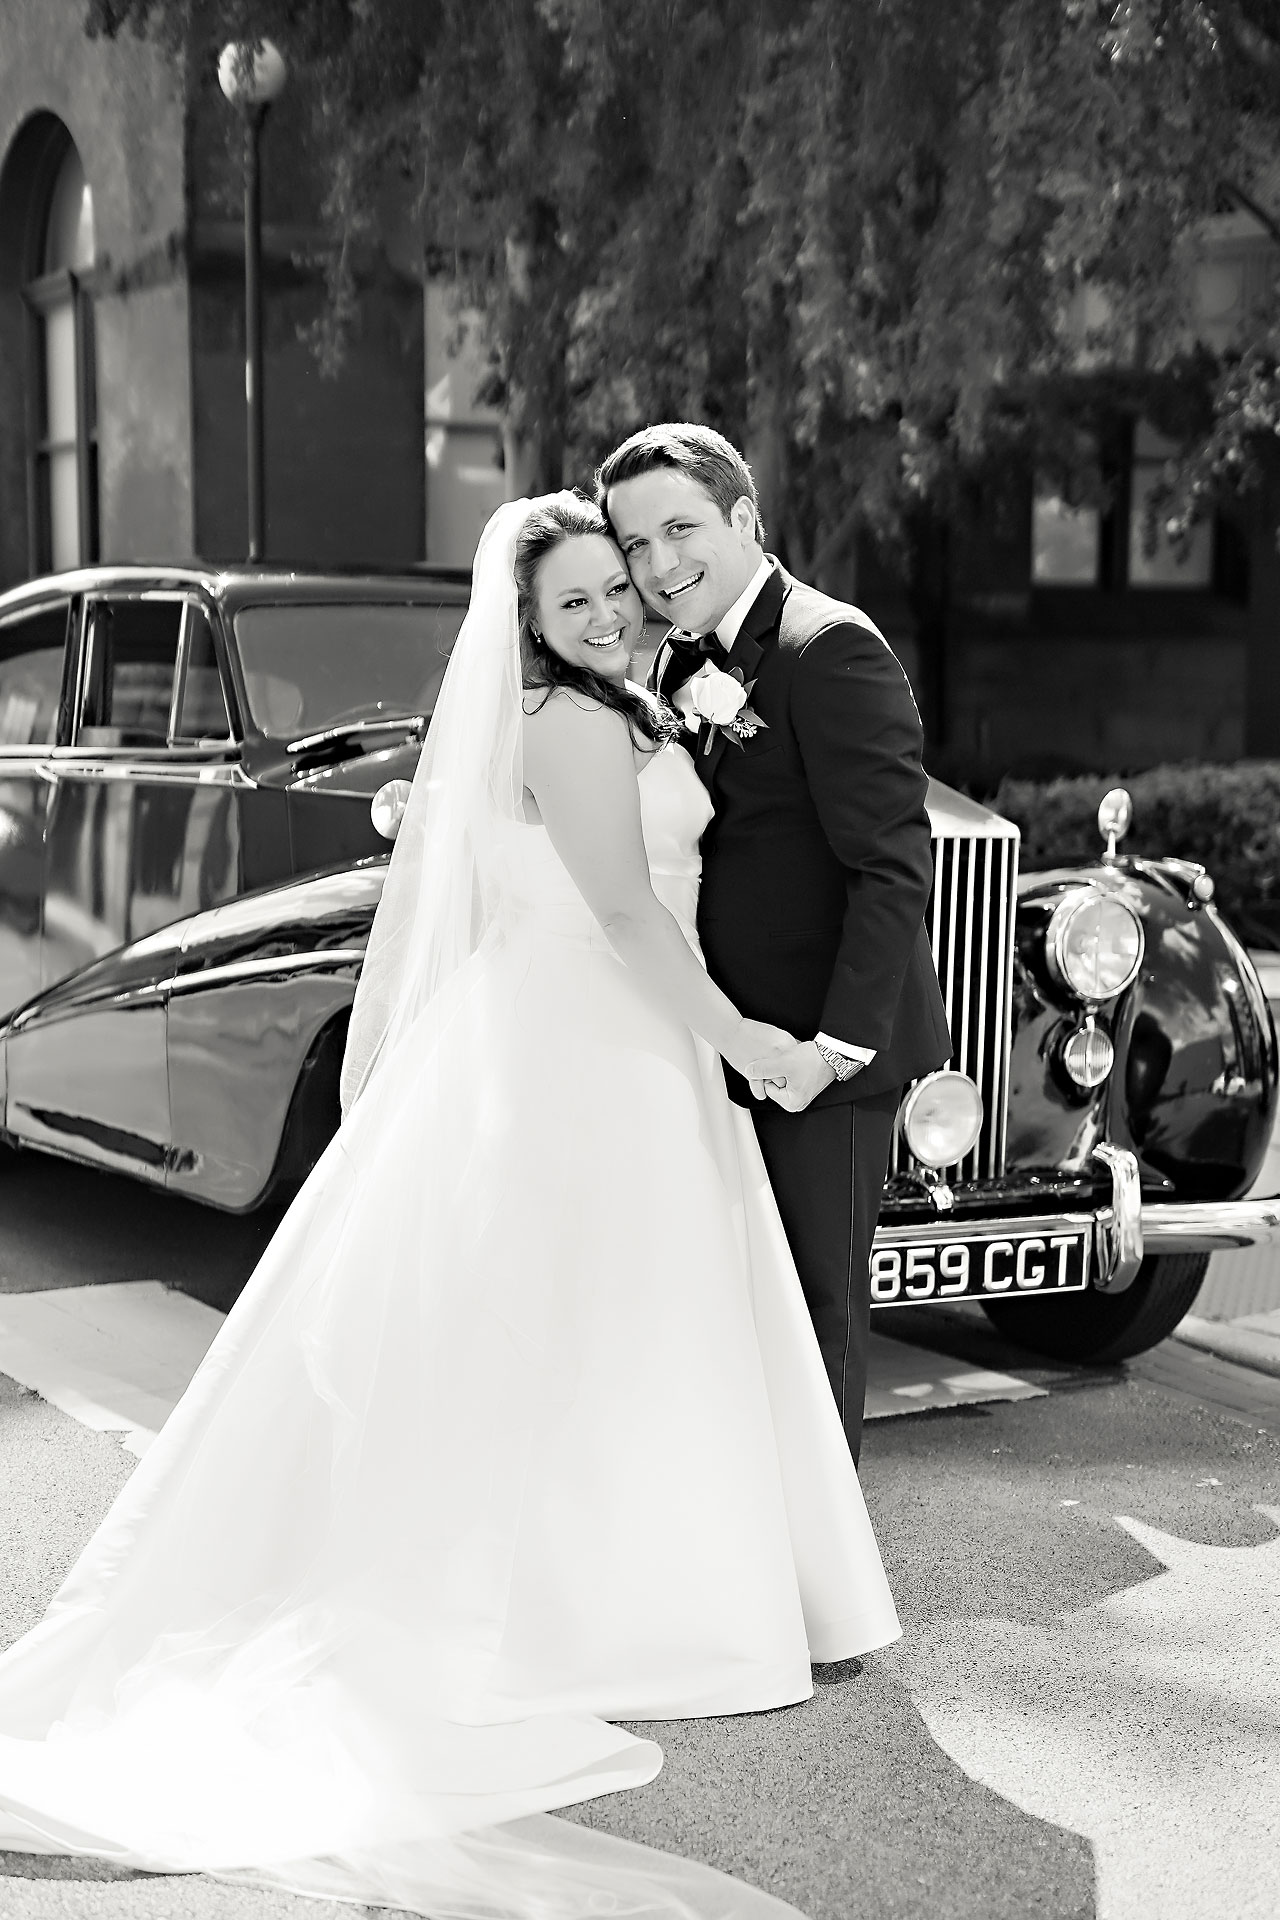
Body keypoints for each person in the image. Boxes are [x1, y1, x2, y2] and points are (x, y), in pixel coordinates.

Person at [0, 493, 901, 1920]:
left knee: (605, 1330)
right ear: (523, 627)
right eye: (572, 602)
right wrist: (751, 1044)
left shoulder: (614, 701)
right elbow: (624, 914)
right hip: (596, 1035)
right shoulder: (573, 721)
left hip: (618, 1035)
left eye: (616, 587)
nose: (608, 612)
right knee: (609, 1322)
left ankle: (626, 1587)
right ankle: (604, 1609)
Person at [599, 425, 951, 1464]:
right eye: (635, 544)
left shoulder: (827, 646)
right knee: (726, 1306)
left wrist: (830, 1052)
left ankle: (822, 1556)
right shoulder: (673, 656)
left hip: (813, 1057)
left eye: (680, 529)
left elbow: (892, 868)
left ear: (744, 518)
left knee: (814, 1313)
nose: (658, 564)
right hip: (713, 1040)